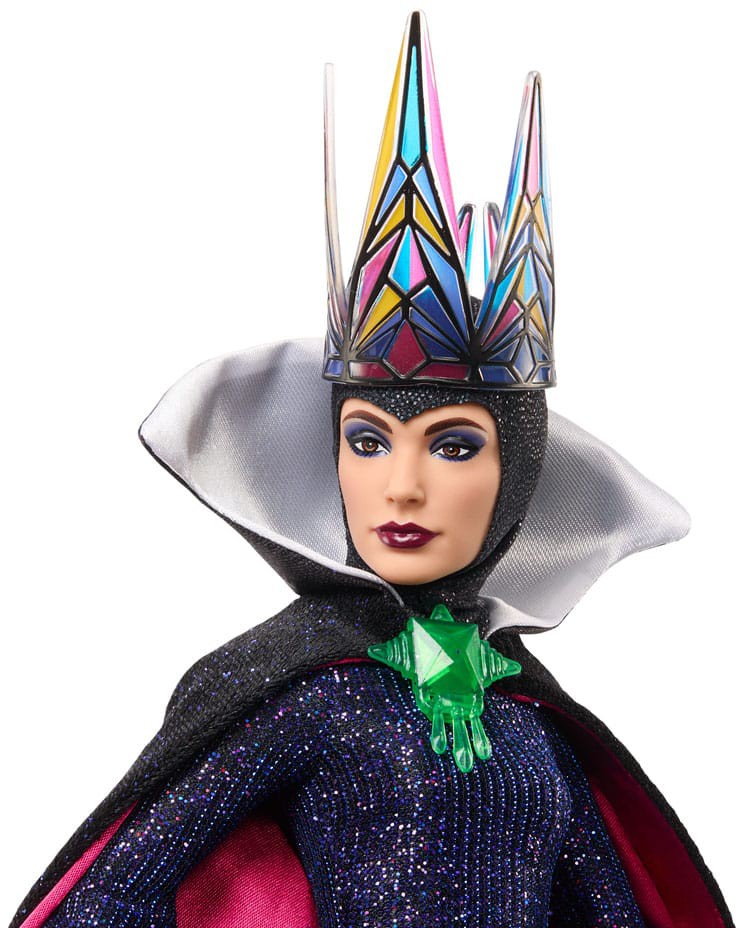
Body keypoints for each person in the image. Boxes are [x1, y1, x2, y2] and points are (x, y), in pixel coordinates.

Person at [9, 12, 733, 928]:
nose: (402, 486)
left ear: (518, 472)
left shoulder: (529, 720)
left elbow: (613, 908)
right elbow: (118, 891)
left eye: (455, 445)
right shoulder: (309, 691)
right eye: (368, 440)